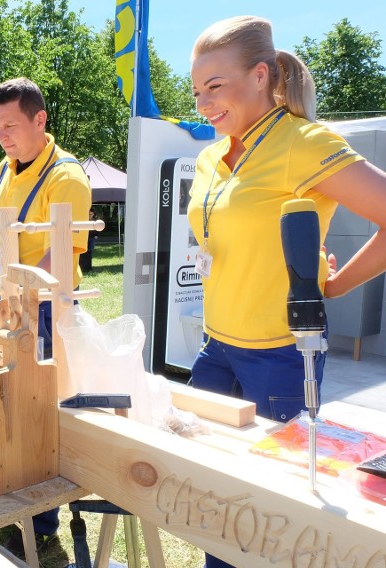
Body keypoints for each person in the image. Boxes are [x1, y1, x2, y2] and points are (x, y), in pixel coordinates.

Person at [187, 16, 386, 568]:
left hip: (279, 355)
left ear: (258, 76)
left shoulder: (303, 143)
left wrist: (334, 286)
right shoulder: (210, 156)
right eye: (197, 90)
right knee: (208, 497)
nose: (204, 103)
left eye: (215, 87)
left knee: (264, 516)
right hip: (216, 348)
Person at [0, 77, 91, 554]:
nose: (3, 136)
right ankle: (10, 493)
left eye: (11, 125)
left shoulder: (66, 176)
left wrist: (18, 296)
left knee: (38, 410)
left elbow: (60, 259)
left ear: (40, 119)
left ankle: (41, 521)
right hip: (5, 301)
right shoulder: (3, 170)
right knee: (4, 400)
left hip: (44, 309)